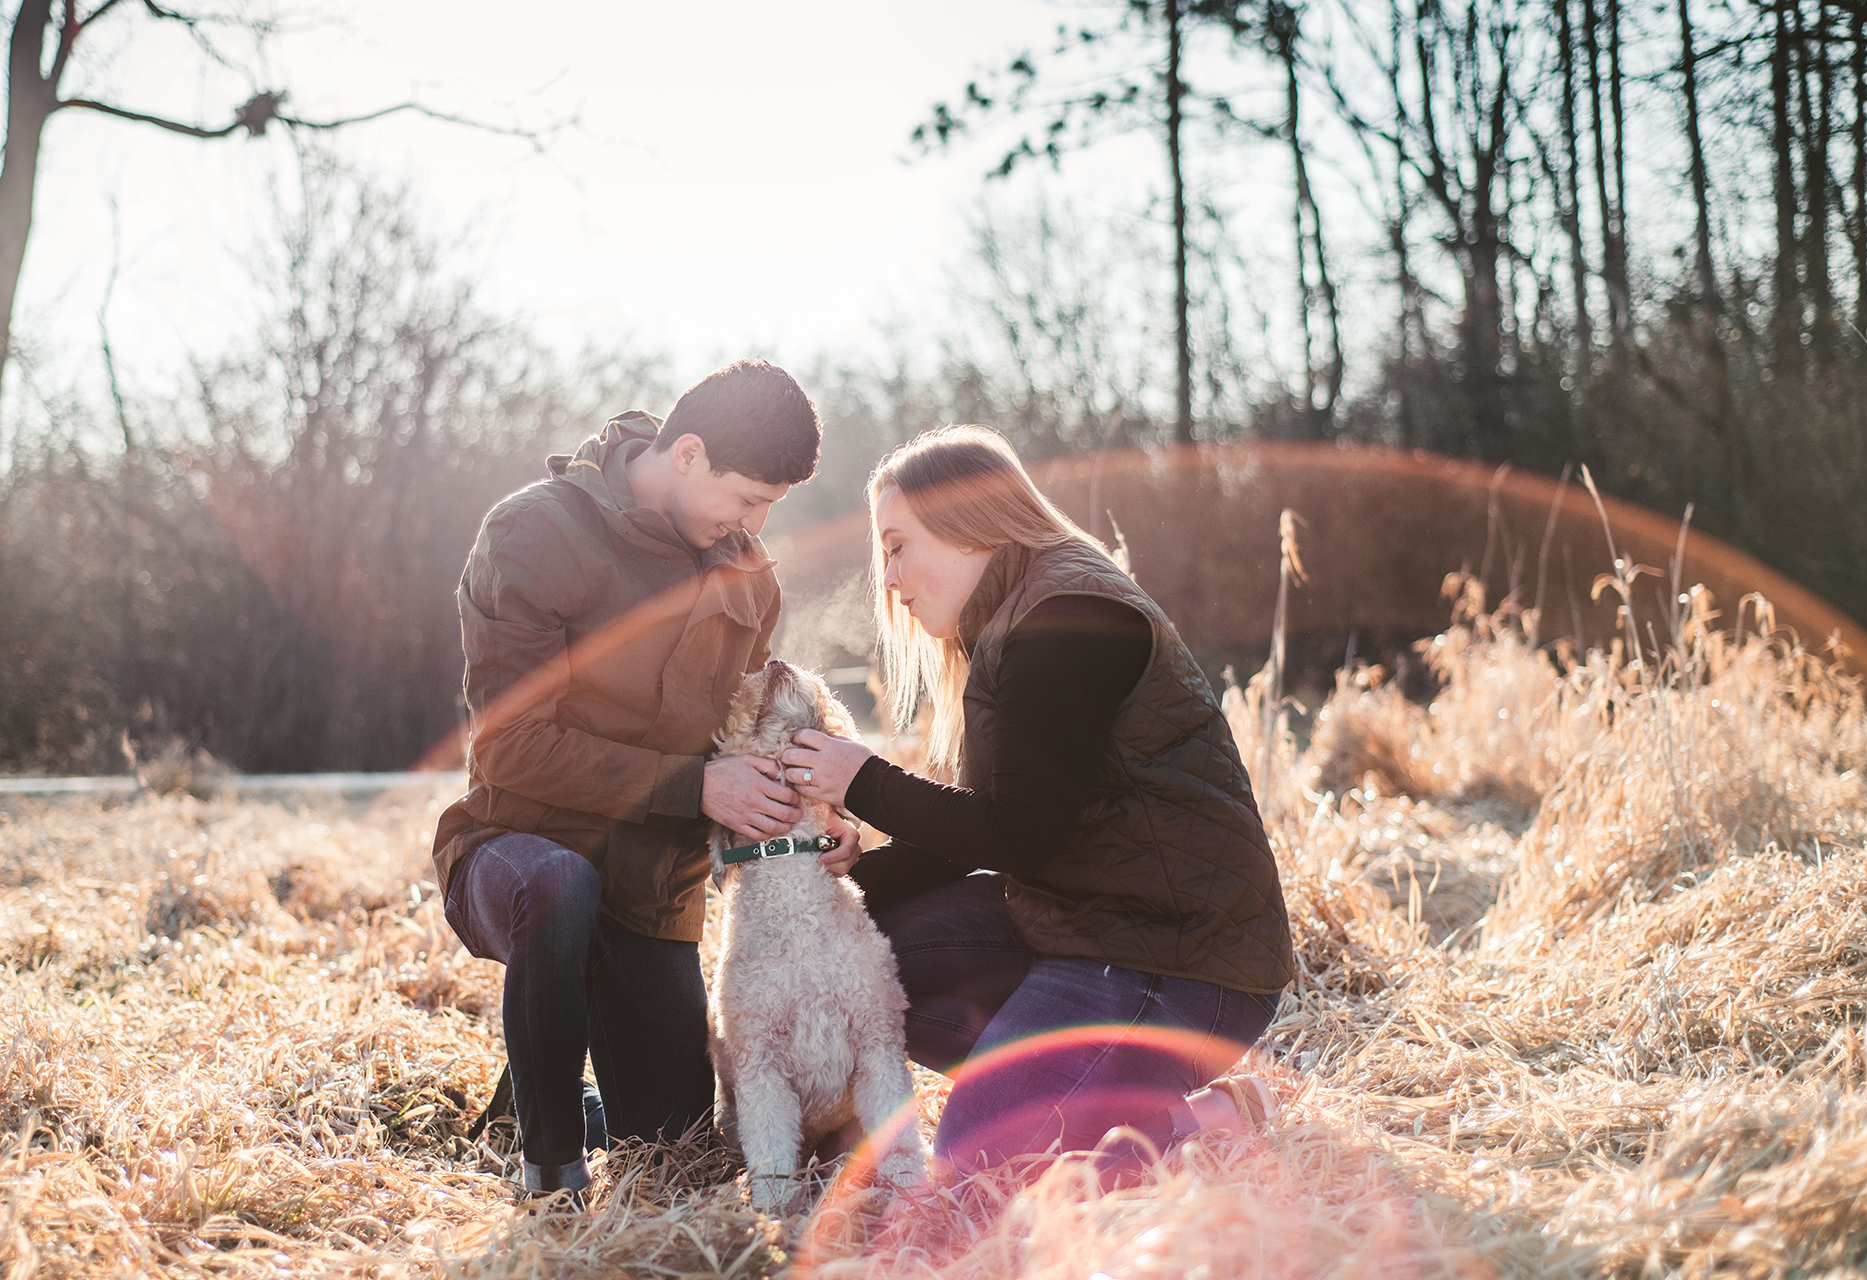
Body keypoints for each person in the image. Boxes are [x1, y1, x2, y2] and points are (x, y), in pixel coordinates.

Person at [780, 425, 1295, 1174]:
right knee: (856, 950)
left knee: (982, 1172)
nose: (888, 578)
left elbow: (1021, 836)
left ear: (967, 526)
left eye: (897, 545)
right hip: (1079, 926)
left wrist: (862, 780)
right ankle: (1067, 1086)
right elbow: (992, 818)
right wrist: (848, 885)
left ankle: (1194, 1117)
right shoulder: (1011, 613)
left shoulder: (1067, 619)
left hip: (1176, 959)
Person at [431, 360, 860, 1199]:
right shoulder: (532, 534)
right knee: (561, 888)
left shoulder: (747, 576)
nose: (755, 522)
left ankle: (543, 1089)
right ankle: (548, 1168)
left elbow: (751, 731)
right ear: (688, 453)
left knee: (677, 1150)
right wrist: (693, 787)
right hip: (521, 850)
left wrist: (823, 814)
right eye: (746, 497)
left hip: (653, 886)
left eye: (771, 505)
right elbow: (508, 746)